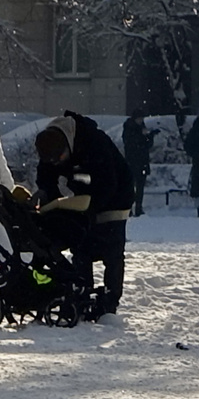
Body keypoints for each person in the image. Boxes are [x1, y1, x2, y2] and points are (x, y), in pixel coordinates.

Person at [32, 111, 133, 316]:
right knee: (81, 247)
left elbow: (108, 182)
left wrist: (90, 209)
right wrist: (48, 195)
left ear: (67, 147)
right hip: (84, 196)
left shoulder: (94, 142)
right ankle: (81, 293)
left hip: (116, 196)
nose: (57, 164)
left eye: (60, 159)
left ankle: (110, 301)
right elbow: (46, 175)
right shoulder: (51, 145)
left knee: (112, 251)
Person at [121, 110, 156, 218]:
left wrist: (150, 136)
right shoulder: (128, 128)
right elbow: (131, 143)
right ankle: (129, 208)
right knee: (131, 187)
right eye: (139, 119)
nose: (140, 121)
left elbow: (146, 145)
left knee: (140, 187)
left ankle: (138, 208)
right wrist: (142, 136)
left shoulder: (142, 128)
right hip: (132, 162)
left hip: (142, 162)